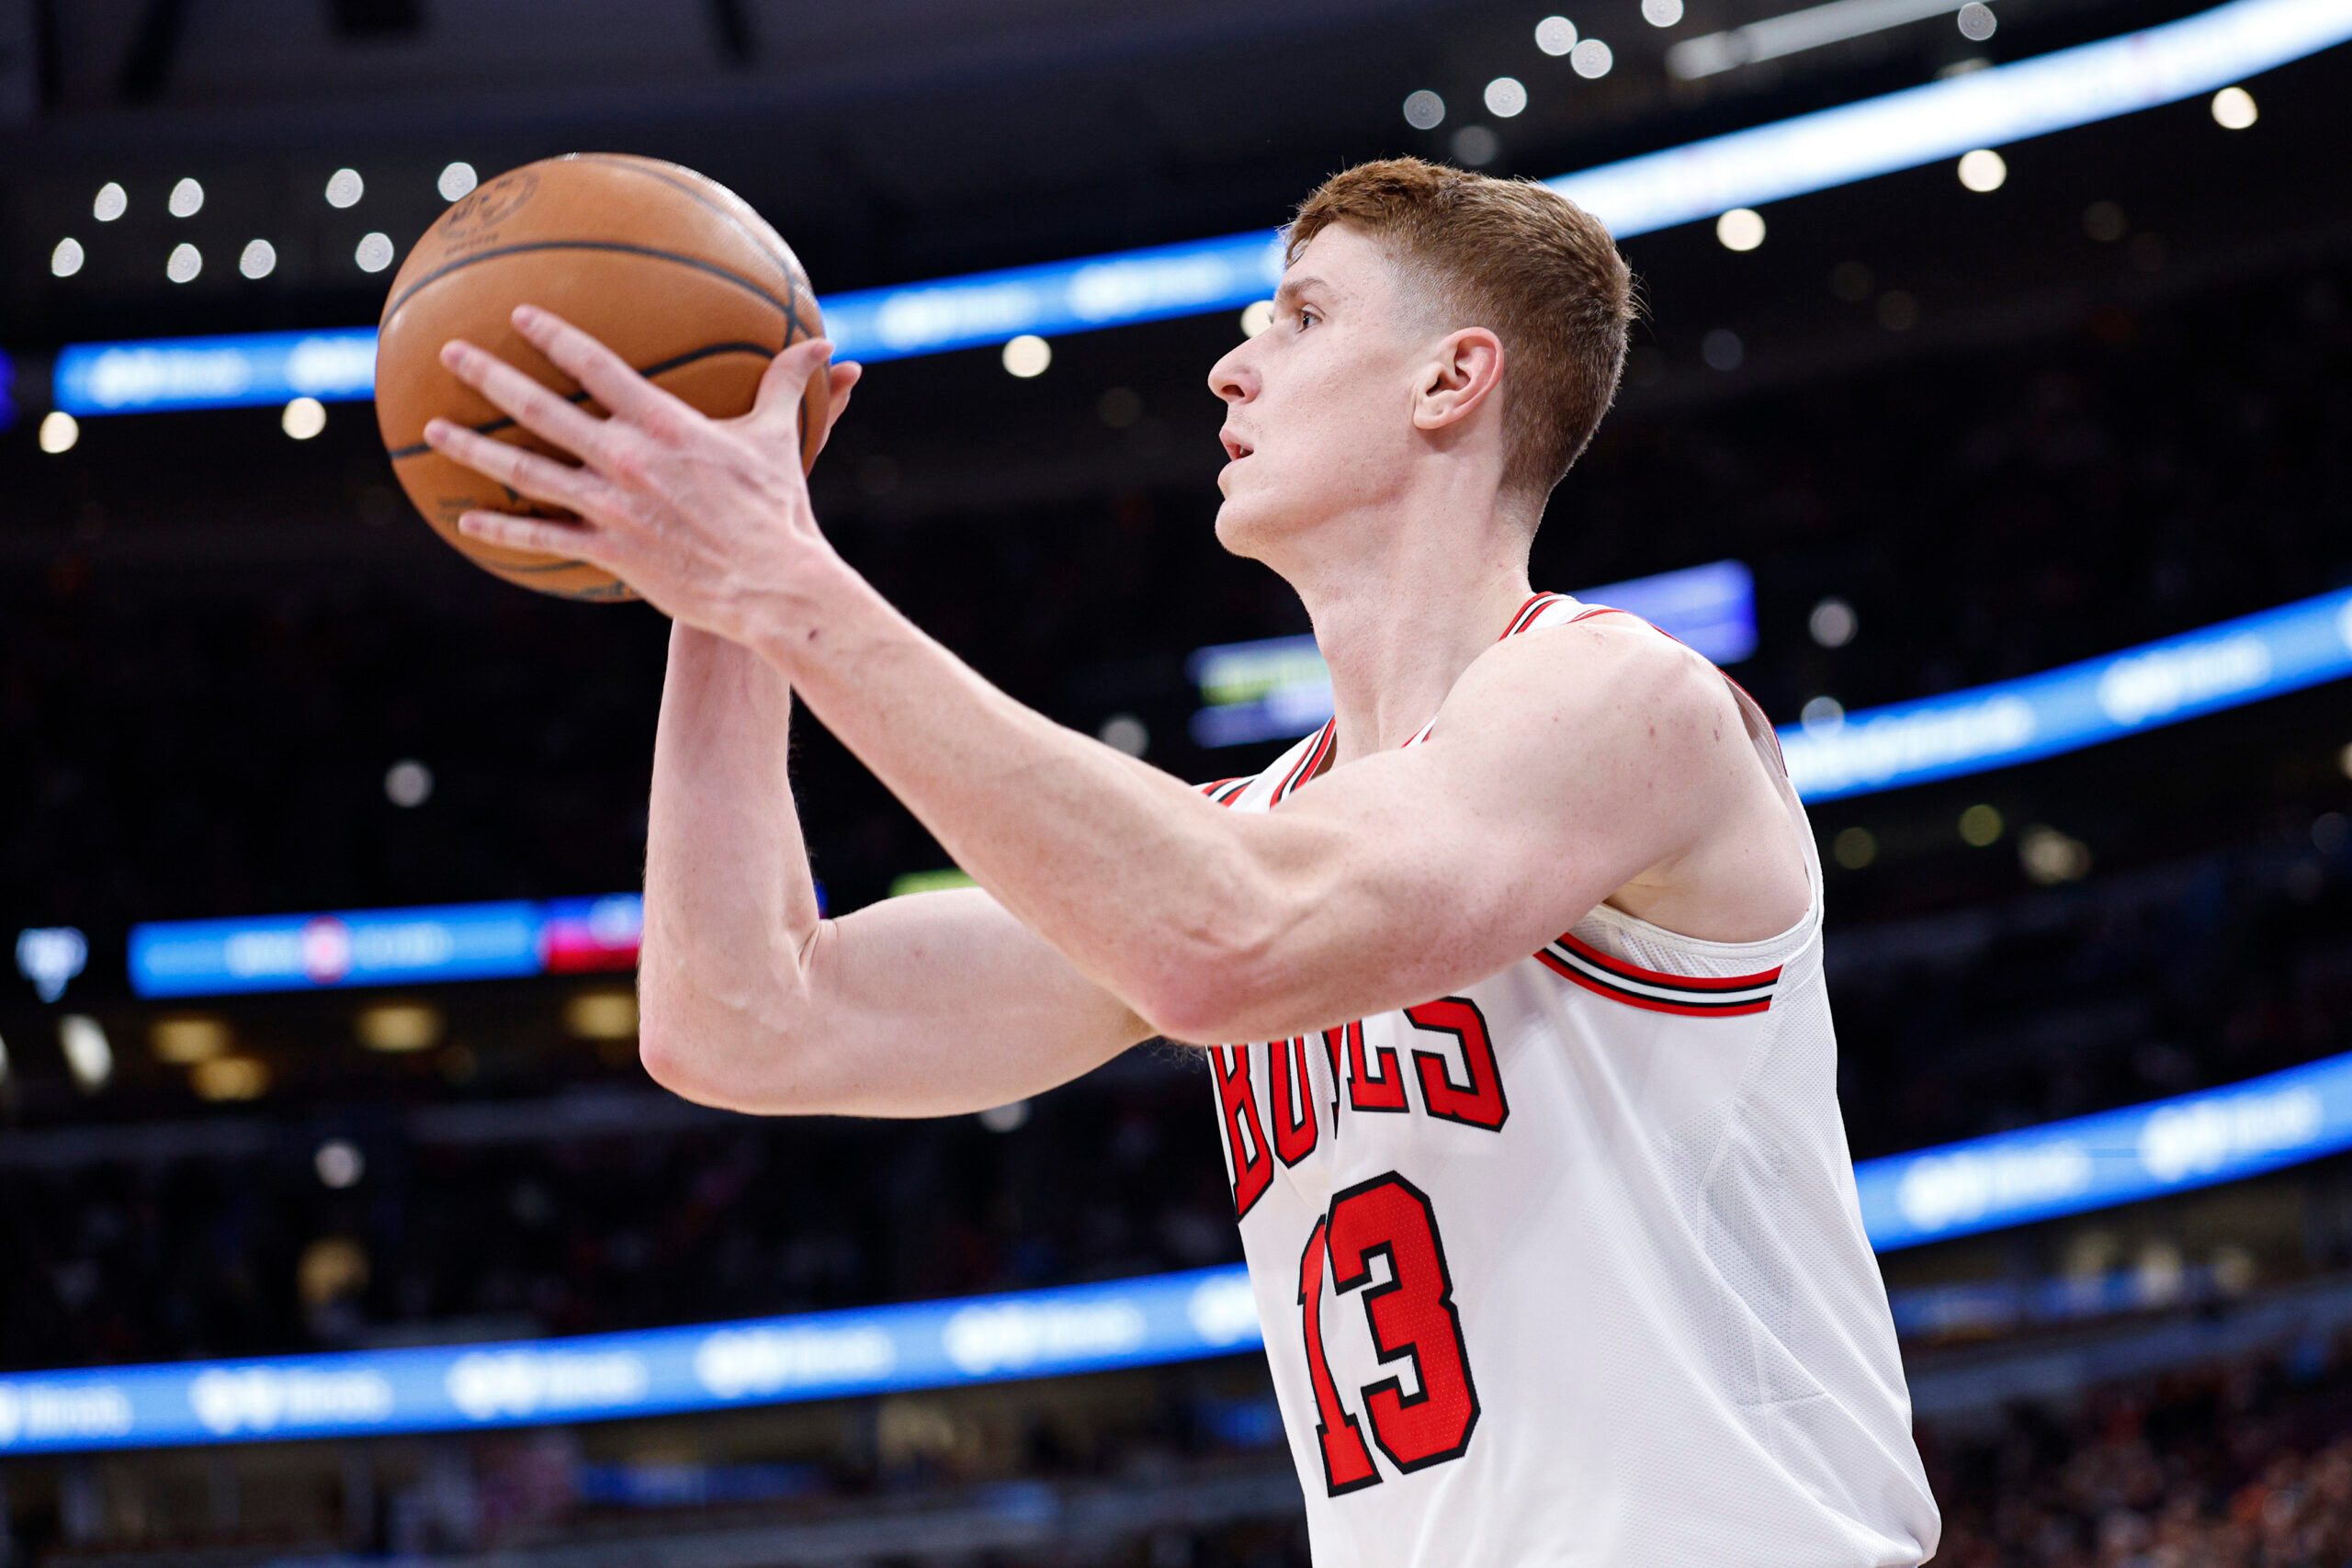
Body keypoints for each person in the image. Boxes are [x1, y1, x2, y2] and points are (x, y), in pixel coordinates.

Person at [422, 156, 1940, 1566]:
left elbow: (1231, 944)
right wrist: (725, 593)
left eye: (1300, 313)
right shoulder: (1251, 833)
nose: (1232, 363)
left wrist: (782, 575)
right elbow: (744, 1016)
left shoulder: (1622, 700)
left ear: (1452, 376)